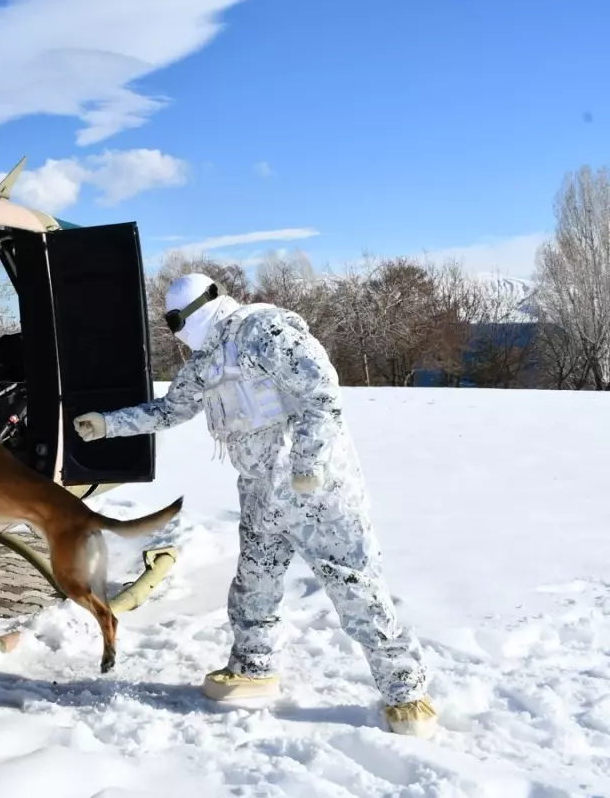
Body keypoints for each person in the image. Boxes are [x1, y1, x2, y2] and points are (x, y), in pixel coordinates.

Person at [73, 272, 437, 738]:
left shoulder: (263, 331)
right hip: (262, 495)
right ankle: (253, 668)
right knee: (254, 587)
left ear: (196, 309)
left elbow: (321, 391)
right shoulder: (207, 361)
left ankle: (406, 694)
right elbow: (169, 410)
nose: (175, 331)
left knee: (356, 589)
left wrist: (309, 462)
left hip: (319, 494)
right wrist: (107, 425)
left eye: (174, 320)